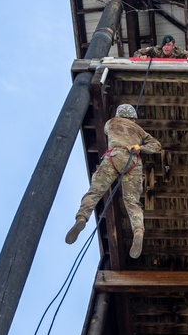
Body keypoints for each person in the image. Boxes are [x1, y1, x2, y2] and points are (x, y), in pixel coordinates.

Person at [65, 104, 163, 259]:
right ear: (133, 117)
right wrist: (139, 147)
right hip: (133, 161)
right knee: (132, 202)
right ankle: (138, 230)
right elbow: (157, 145)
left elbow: (107, 131)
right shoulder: (139, 130)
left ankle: (82, 217)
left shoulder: (110, 123)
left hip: (113, 157)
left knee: (95, 192)